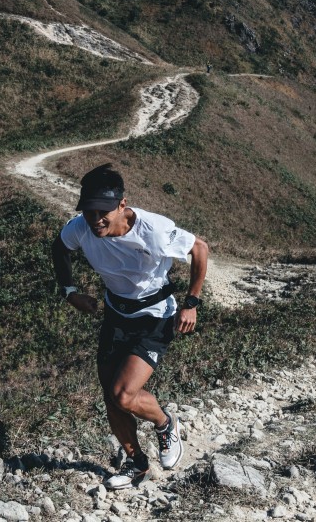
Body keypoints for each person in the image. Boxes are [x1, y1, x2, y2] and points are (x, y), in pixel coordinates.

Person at [51, 163, 208, 490]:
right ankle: (137, 465)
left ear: (122, 204)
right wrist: (70, 292)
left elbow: (199, 249)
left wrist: (191, 302)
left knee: (124, 394)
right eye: (89, 212)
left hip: (155, 316)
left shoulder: (153, 229)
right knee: (111, 398)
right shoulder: (81, 227)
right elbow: (60, 248)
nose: (95, 220)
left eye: (103, 212)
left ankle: (165, 425)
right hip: (115, 315)